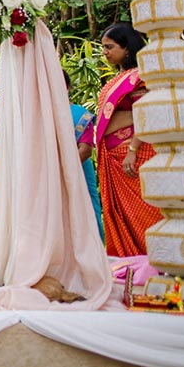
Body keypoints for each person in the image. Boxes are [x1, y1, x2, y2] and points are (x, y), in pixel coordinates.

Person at [97, 22, 162, 256]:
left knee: (144, 213)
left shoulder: (140, 77)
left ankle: (155, 263)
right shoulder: (122, 78)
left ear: (127, 48)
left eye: (109, 47)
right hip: (114, 155)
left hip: (134, 153)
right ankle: (131, 265)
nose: (104, 52)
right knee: (125, 215)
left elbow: (147, 112)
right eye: (103, 47)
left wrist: (133, 149)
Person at [64, 71, 104, 242]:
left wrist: (63, 170)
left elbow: (85, 149)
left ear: (66, 88)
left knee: (86, 212)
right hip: (51, 176)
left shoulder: (79, 114)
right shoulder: (41, 116)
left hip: (77, 171)